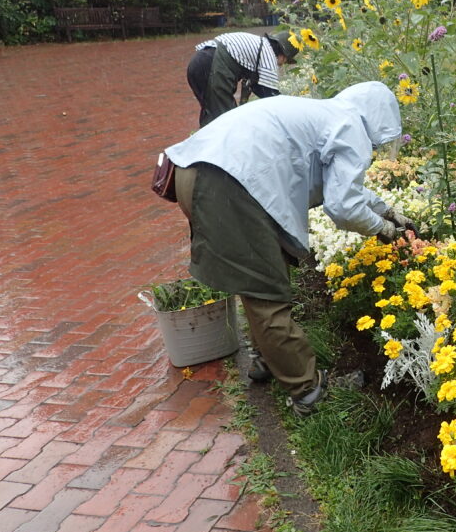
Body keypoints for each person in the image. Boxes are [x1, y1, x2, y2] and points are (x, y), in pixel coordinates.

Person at [164, 81, 416, 415]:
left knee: (262, 273)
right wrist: (384, 230)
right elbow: (342, 207)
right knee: (267, 295)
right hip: (226, 184)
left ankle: (266, 360)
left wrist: (387, 210)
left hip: (197, 171)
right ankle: (308, 392)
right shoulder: (351, 127)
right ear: (379, 119)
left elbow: (342, 190)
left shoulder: (329, 116)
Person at [186, 30, 298, 127]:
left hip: (197, 63)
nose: (282, 65)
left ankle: (202, 148)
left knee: (211, 115)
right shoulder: (269, 56)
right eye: (285, 61)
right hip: (212, 66)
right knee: (226, 122)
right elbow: (271, 96)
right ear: (283, 55)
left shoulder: (260, 45)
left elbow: (256, 86)